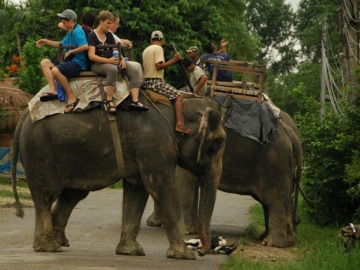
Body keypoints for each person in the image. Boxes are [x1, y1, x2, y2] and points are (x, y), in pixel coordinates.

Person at [87, 11, 147, 114]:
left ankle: (135, 100)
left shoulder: (109, 35)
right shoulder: (92, 35)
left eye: (111, 23)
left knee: (133, 69)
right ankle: (109, 100)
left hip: (111, 61)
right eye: (108, 23)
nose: (110, 26)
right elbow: (91, 56)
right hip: (98, 64)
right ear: (101, 22)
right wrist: (108, 61)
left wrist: (122, 59)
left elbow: (116, 50)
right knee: (112, 69)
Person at [36, 9, 88, 113]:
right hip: (69, 61)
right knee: (44, 62)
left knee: (55, 70)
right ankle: (53, 90)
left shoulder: (77, 31)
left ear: (71, 20)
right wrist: (46, 41)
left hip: (78, 62)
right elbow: (60, 44)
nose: (62, 23)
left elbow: (85, 46)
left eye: (64, 21)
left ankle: (71, 96)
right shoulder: (70, 32)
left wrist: (71, 51)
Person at [142, 30, 190, 134]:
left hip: (146, 81)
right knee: (179, 96)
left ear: (151, 40)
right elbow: (159, 66)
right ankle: (179, 125)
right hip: (155, 82)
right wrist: (174, 59)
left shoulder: (146, 50)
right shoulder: (159, 48)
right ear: (162, 40)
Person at [109, 12, 147, 110]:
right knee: (137, 65)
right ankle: (139, 91)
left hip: (116, 58)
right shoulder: (108, 33)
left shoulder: (110, 34)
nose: (117, 26)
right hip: (111, 60)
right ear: (110, 23)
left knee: (134, 66)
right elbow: (119, 44)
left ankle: (135, 89)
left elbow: (119, 42)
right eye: (116, 24)